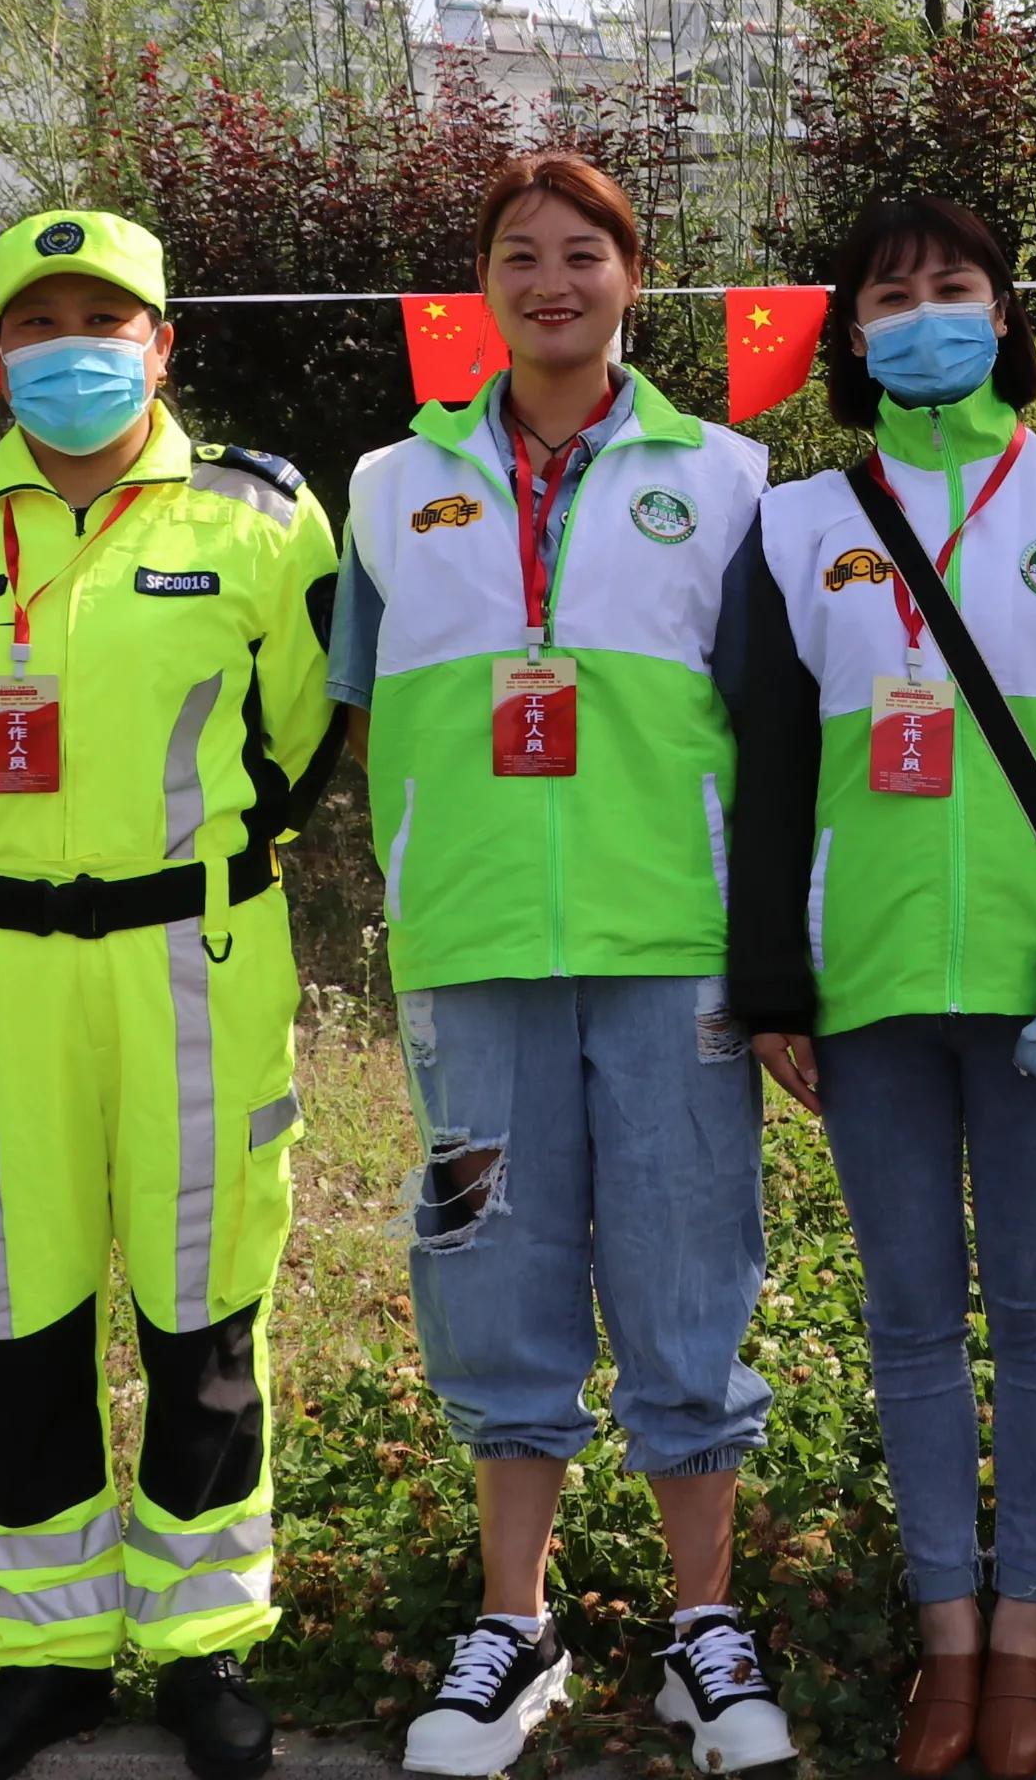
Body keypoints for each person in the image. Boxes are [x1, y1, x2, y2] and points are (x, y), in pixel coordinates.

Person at [0, 210, 338, 1780]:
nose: (71, 354)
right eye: (37, 328)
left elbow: (299, 745)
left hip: (195, 962)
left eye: (102, 325)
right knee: (20, 1311)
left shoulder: (259, 520)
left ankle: (200, 1647)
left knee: (202, 1312)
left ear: (162, 345)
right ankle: (42, 1653)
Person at [328, 151, 795, 1778]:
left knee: (688, 1268)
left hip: (674, 951)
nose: (552, 281)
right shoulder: (391, 484)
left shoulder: (732, 478)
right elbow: (367, 714)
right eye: (519, 255)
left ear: (633, 277)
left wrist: (772, 953)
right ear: (481, 285)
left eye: (583, 253)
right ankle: (512, 1625)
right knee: (488, 1264)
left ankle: (701, 1631)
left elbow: (767, 725)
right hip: (472, 952)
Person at [724, 197, 1036, 1780]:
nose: (925, 313)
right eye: (892, 295)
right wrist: (773, 981)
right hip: (870, 974)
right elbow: (771, 770)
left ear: (1008, 314)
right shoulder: (792, 524)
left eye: (955, 287)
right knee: (912, 1317)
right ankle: (947, 1640)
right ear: (850, 333)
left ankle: (1030, 1636)